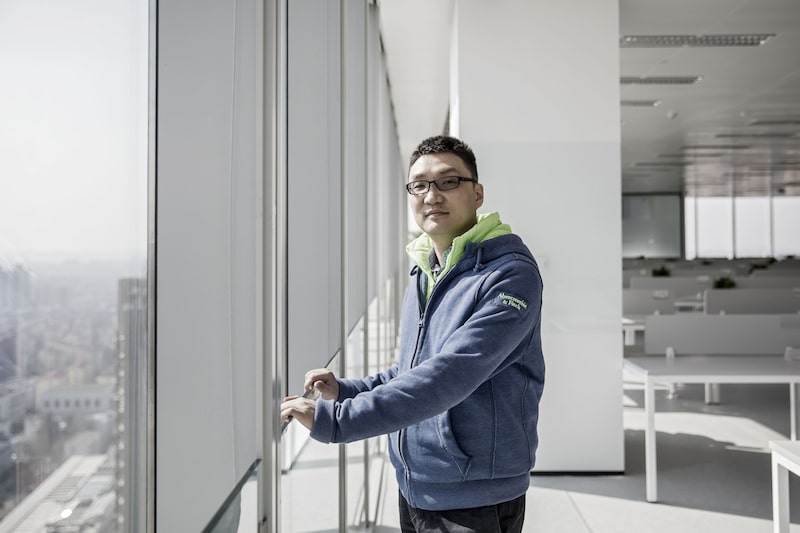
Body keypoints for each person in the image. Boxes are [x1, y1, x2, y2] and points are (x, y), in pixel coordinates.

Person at [281, 135, 544, 533]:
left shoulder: (510, 275)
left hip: (474, 496)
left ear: (477, 193)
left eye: (448, 181)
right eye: (419, 185)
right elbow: (415, 368)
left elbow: (450, 375)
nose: (432, 195)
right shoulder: (426, 271)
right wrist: (348, 390)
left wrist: (338, 419)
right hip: (415, 483)